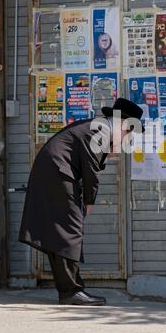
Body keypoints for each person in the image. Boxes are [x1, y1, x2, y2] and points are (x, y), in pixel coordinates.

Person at [19, 98, 144, 306]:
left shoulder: (99, 128)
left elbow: (89, 161)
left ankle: (68, 289)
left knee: (59, 233)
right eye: (129, 132)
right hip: (57, 175)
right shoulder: (102, 131)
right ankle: (71, 291)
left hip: (53, 173)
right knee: (70, 230)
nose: (127, 137)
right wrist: (89, 201)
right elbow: (91, 171)